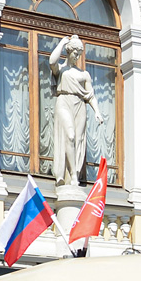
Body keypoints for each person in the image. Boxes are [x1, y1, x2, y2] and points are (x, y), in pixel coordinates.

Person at [47, 34, 101, 187]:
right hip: (64, 101)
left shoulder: (84, 74)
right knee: (70, 136)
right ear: (68, 51)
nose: (77, 56)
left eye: (79, 53)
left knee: (78, 141)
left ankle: (74, 174)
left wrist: (96, 111)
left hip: (80, 106)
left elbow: (90, 95)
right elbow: (52, 61)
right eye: (75, 53)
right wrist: (62, 42)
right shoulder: (61, 70)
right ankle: (69, 174)